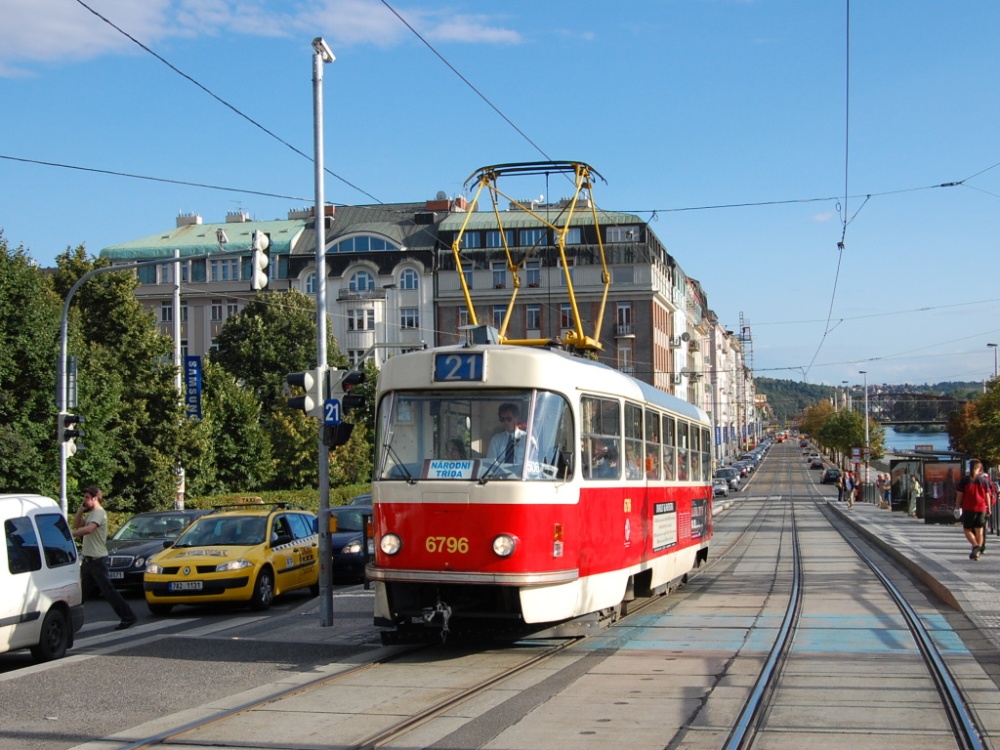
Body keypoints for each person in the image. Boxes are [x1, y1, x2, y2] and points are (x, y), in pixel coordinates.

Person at [72, 486, 137, 630]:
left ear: (95, 498)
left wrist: (70, 535)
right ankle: (68, 623)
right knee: (80, 594)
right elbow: (77, 525)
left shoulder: (99, 513)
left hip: (98, 560)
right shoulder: (91, 514)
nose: (84, 500)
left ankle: (128, 616)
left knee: (109, 592)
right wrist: (80, 511)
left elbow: (88, 530)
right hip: (89, 560)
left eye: (87, 498)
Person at [956, 459, 992, 561]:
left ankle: (975, 546)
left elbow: (960, 495)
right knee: (979, 531)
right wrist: (989, 508)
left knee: (967, 530)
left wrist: (957, 506)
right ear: (979, 468)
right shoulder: (983, 481)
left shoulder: (965, 480)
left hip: (968, 508)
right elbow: (987, 496)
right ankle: (977, 553)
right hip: (981, 508)